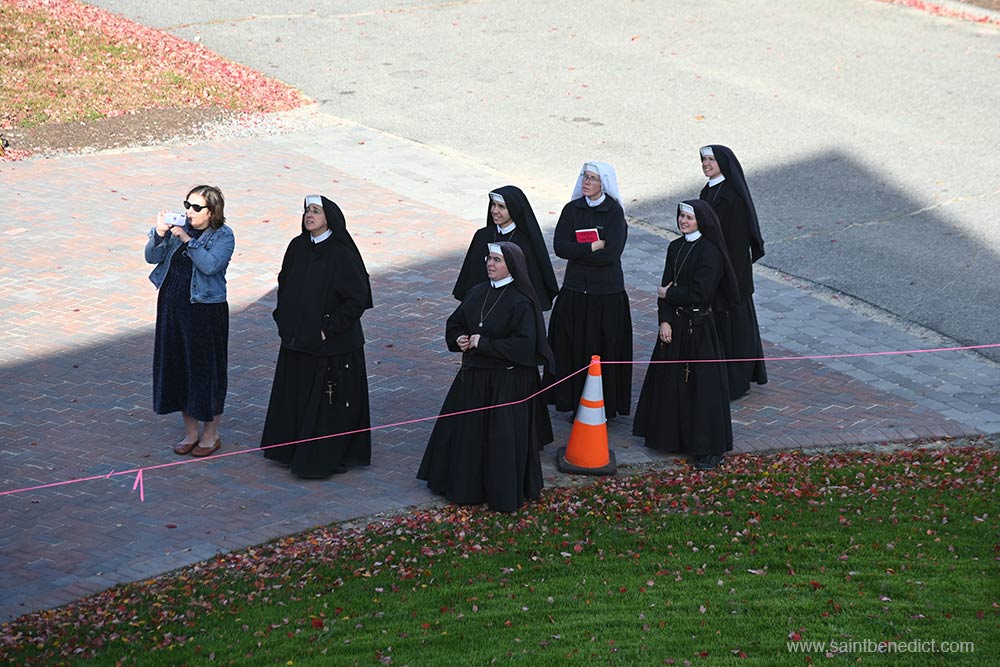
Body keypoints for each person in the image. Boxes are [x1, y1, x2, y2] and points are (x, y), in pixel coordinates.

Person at [418, 242, 554, 512]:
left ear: (511, 265)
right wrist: (459, 338)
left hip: (507, 383)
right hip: (474, 378)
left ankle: (499, 492)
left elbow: (524, 346)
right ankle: (465, 487)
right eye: (488, 258)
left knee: (499, 441)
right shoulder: (477, 292)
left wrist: (485, 344)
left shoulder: (522, 302)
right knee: (467, 436)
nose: (490, 264)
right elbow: (455, 322)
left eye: (496, 260)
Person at [260, 195, 374, 478]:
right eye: (306, 211)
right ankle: (290, 450)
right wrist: (283, 319)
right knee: (296, 397)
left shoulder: (341, 253)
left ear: (329, 218)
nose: (308, 215)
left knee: (327, 404)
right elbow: (284, 283)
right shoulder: (297, 247)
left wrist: (328, 328)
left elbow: (357, 299)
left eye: (315, 211)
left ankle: (323, 457)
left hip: (330, 346)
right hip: (297, 341)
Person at [632, 200, 740, 470]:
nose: (683, 221)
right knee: (671, 386)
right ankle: (673, 439)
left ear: (700, 220)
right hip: (675, 327)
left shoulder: (710, 251)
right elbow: (666, 285)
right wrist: (664, 321)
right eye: (681, 216)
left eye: (689, 217)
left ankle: (707, 448)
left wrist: (668, 294)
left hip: (700, 328)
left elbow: (700, 293)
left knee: (703, 391)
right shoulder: (675, 247)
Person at [145, 185, 234, 457]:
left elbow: (210, 265)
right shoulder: (177, 228)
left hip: (204, 310)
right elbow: (152, 257)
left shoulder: (223, 236)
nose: (189, 212)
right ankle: (191, 433)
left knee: (206, 370)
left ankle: (211, 434)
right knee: (178, 367)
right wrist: (159, 234)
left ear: (213, 211)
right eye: (187, 205)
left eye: (197, 207)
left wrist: (186, 240)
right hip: (173, 308)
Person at [545, 162, 632, 420]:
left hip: (605, 294)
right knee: (572, 349)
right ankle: (572, 401)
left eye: (593, 178)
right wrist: (591, 248)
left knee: (601, 350)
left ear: (603, 183)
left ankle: (603, 406)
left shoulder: (614, 213)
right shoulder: (572, 210)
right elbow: (560, 247)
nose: (586, 182)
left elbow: (612, 254)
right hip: (574, 291)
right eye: (585, 177)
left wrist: (580, 252)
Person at [699, 144, 767, 399]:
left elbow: (736, 244)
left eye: (711, 159)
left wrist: (726, 277)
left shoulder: (732, 197)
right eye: (703, 159)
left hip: (732, 275)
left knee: (735, 329)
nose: (706, 164)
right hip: (716, 269)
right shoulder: (709, 190)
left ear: (723, 163)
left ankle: (735, 382)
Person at [452, 185, 559, 311]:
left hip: (511, 308)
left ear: (514, 209)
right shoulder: (482, 236)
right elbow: (472, 276)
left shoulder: (525, 242)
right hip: (482, 303)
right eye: (493, 205)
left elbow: (530, 284)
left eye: (501, 207)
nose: (494, 210)